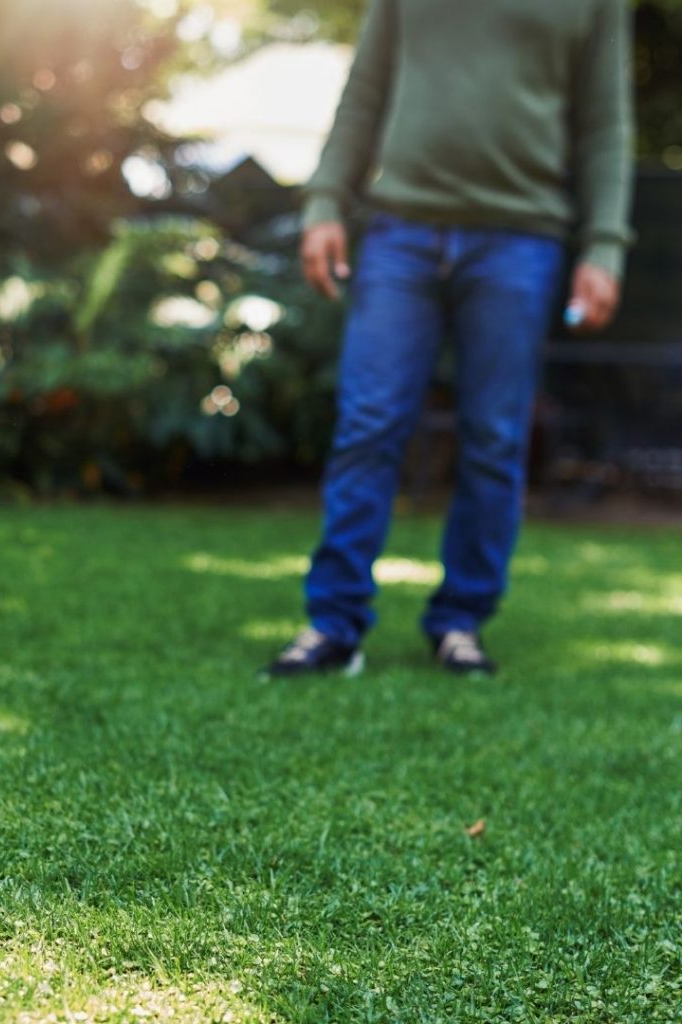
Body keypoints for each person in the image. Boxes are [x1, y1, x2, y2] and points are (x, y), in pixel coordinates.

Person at [267, 0, 634, 678]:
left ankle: (461, 622)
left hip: (522, 239)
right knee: (368, 423)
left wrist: (604, 246)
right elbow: (365, 91)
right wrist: (325, 201)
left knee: (494, 437)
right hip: (399, 229)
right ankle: (334, 624)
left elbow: (605, 123)